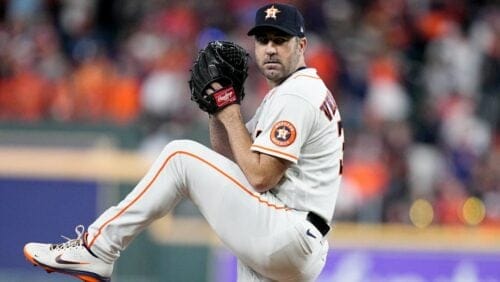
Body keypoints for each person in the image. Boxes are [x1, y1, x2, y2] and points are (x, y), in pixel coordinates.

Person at [23, 3, 344, 281]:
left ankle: (97, 247)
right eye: (263, 40)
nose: (270, 48)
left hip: (288, 230)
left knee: (180, 156)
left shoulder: (297, 94)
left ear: (301, 45)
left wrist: (230, 106)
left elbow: (260, 177)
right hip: (291, 239)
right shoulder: (291, 93)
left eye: (280, 40)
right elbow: (233, 163)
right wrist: (216, 108)